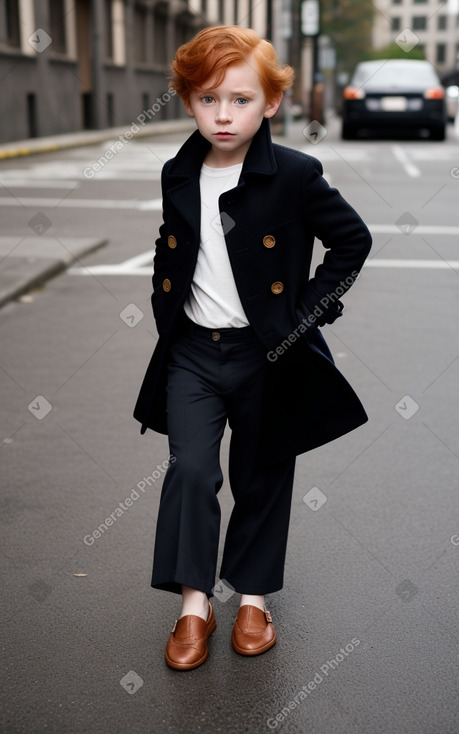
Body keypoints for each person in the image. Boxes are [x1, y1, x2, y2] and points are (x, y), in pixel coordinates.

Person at [133, 25, 372, 671]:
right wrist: (165, 302)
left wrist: (306, 313)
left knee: (261, 475)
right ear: (188, 102)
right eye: (209, 99)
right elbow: (171, 243)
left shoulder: (292, 173)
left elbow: (351, 241)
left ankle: (253, 598)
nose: (223, 114)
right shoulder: (178, 171)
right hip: (191, 352)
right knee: (189, 470)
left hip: (269, 353)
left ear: (269, 104)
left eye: (240, 99)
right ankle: (193, 604)